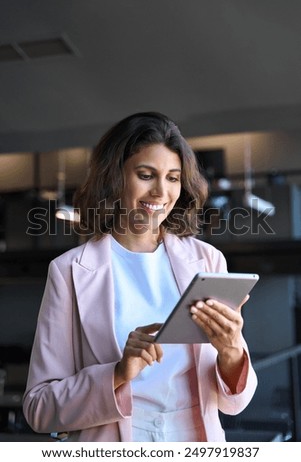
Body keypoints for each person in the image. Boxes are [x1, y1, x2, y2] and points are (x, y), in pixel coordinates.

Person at [23, 112, 257, 442]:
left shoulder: (207, 260)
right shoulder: (69, 271)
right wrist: (117, 373)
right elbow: (39, 408)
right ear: (114, 177)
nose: (161, 192)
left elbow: (235, 403)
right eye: (146, 175)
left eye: (173, 178)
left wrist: (232, 351)